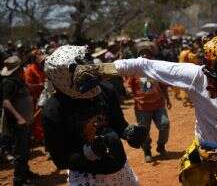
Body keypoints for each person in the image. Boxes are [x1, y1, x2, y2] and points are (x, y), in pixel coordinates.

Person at [74, 22, 217, 185]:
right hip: (203, 150)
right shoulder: (197, 76)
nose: (209, 83)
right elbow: (144, 65)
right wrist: (102, 69)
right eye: (207, 74)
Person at [42, 45, 147, 186]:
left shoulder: (106, 90)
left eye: (84, 61)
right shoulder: (53, 110)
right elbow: (60, 160)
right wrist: (89, 153)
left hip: (119, 169)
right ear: (63, 78)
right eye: (75, 68)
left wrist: (129, 133)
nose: (86, 68)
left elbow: (118, 123)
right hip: (86, 175)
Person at [126, 41, 171, 163]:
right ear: (139, 57)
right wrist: (129, 90)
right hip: (142, 107)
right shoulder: (134, 70)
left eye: (147, 54)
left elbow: (163, 86)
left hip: (158, 104)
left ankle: (161, 146)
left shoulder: (156, 69)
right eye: (142, 54)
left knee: (165, 124)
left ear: (151, 56)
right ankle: (147, 151)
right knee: (143, 131)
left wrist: (168, 99)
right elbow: (128, 85)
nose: (145, 56)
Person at [1, 56, 36, 186]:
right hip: (17, 123)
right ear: (18, 68)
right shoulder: (8, 83)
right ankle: (18, 180)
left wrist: (39, 86)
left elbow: (27, 89)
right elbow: (6, 102)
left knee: (25, 149)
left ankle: (25, 172)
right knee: (19, 152)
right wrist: (19, 117)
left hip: (24, 122)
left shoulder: (18, 80)